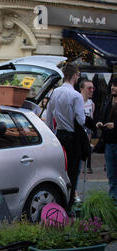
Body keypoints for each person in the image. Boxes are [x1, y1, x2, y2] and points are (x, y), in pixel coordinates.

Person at [45, 63, 85, 211]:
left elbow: (49, 118)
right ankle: (68, 206)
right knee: (72, 172)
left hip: (59, 136)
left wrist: (51, 135)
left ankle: (59, 204)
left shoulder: (55, 92)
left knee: (60, 171)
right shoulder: (76, 95)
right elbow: (81, 120)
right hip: (72, 137)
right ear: (75, 75)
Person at [96, 77, 117, 204]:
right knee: (111, 173)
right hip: (109, 142)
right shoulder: (108, 101)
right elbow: (101, 116)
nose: (113, 87)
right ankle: (113, 199)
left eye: (115, 85)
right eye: (112, 85)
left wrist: (115, 125)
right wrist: (100, 122)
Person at [79, 79, 95, 174]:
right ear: (81, 89)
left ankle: (88, 167)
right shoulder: (77, 101)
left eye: (93, 88)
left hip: (87, 134)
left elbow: (91, 119)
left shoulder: (91, 103)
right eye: (89, 88)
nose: (92, 90)